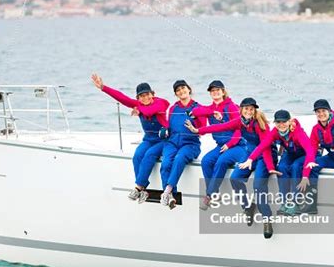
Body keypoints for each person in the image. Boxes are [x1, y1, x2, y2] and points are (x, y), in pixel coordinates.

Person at [186, 97, 278, 239]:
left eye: (251, 109)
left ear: (254, 111)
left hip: (265, 156)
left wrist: (267, 166)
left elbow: (264, 146)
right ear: (241, 110)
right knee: (235, 178)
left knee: (258, 185)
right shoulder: (240, 122)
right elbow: (219, 127)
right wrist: (198, 130)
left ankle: (267, 219)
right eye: (246, 108)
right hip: (250, 156)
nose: (248, 111)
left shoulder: (260, 124)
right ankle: (247, 207)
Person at [91, 74, 169, 203]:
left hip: (162, 140)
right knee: (137, 156)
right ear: (138, 98)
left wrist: (139, 108)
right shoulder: (139, 104)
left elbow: (150, 111)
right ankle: (144, 189)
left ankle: (138, 187)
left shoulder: (161, 102)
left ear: (152, 94)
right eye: (141, 96)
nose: (145, 98)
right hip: (148, 139)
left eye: (147, 95)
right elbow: (122, 98)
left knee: (149, 155)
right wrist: (103, 87)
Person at [240, 110, 316, 216]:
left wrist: (305, 175)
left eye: (284, 122)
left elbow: (310, 150)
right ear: (275, 123)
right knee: (282, 167)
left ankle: (295, 202)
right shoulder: (276, 131)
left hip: (305, 156)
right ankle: (284, 203)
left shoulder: (298, 132)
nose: (281, 125)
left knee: (295, 167)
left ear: (289, 121)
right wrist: (250, 159)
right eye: (278, 122)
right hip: (291, 154)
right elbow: (263, 145)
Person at [190, 80, 247, 209]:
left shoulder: (231, 107)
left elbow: (239, 130)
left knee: (221, 161)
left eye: (218, 90)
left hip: (237, 145)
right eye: (212, 91)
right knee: (206, 161)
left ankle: (209, 195)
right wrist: (212, 113)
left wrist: (230, 144)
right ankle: (215, 194)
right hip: (220, 145)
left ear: (223, 91)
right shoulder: (210, 108)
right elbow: (196, 111)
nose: (215, 92)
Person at [160, 80, 206, 209]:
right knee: (165, 163)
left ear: (189, 89)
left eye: (183, 88)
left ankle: (167, 190)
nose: (181, 91)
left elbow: (204, 129)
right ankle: (171, 197)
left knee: (179, 158)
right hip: (172, 142)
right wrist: (164, 130)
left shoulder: (199, 108)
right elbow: (168, 126)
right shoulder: (173, 108)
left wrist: (194, 125)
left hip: (190, 144)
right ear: (176, 94)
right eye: (178, 90)